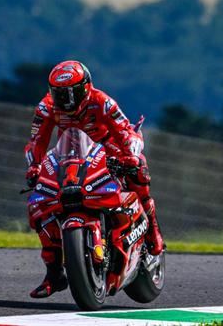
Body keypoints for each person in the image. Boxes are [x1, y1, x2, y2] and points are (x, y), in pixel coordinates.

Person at [23, 60, 165, 299]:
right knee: (39, 203)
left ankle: (153, 233)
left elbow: (124, 130)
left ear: (86, 87)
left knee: (138, 170)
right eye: (60, 94)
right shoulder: (46, 108)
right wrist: (35, 167)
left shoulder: (102, 102)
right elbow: (37, 141)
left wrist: (129, 155)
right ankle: (54, 273)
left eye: (72, 92)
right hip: (71, 155)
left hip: (109, 150)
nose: (66, 100)